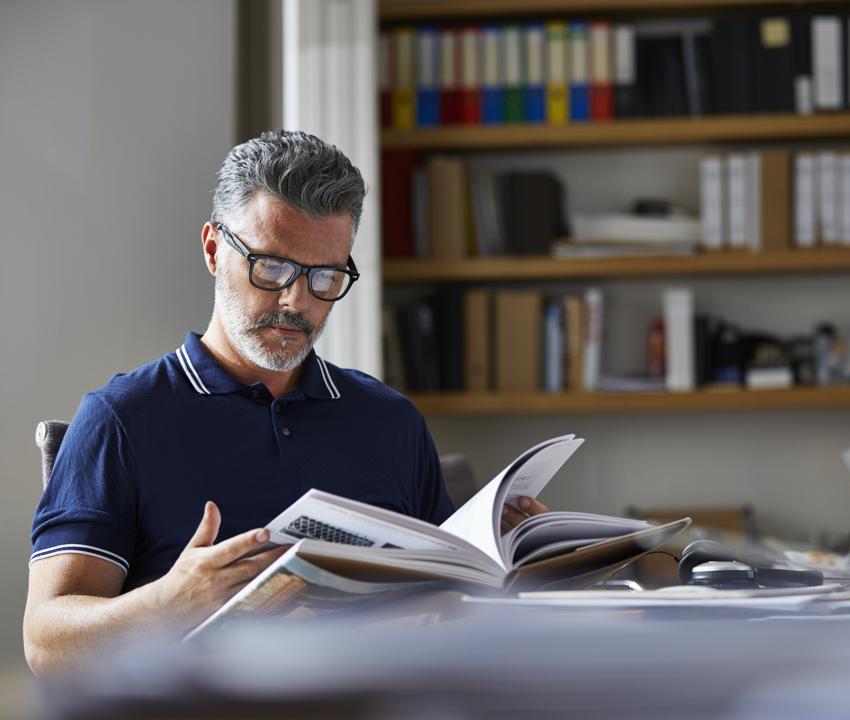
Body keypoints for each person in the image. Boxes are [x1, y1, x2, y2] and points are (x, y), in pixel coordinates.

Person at [23, 130, 547, 675]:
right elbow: (45, 643)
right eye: (271, 267)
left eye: (325, 277)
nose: (297, 301)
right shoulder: (121, 418)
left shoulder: (390, 420)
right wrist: (166, 605)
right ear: (212, 251)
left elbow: (452, 606)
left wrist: (510, 563)